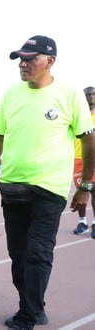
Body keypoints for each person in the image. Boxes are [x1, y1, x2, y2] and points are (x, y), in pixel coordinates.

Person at [0, 35, 95, 330]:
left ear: (50, 61)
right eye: (21, 58)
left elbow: (89, 139)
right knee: (18, 254)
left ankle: (27, 316)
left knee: (38, 253)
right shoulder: (11, 94)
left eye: (30, 58)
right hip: (13, 186)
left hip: (50, 189)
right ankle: (34, 305)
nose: (23, 63)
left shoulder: (70, 95)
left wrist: (84, 186)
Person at [72, 86, 95, 238]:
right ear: (84, 96)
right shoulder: (77, 114)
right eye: (88, 94)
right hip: (79, 158)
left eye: (94, 94)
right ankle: (82, 222)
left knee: (94, 190)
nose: (92, 96)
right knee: (82, 190)